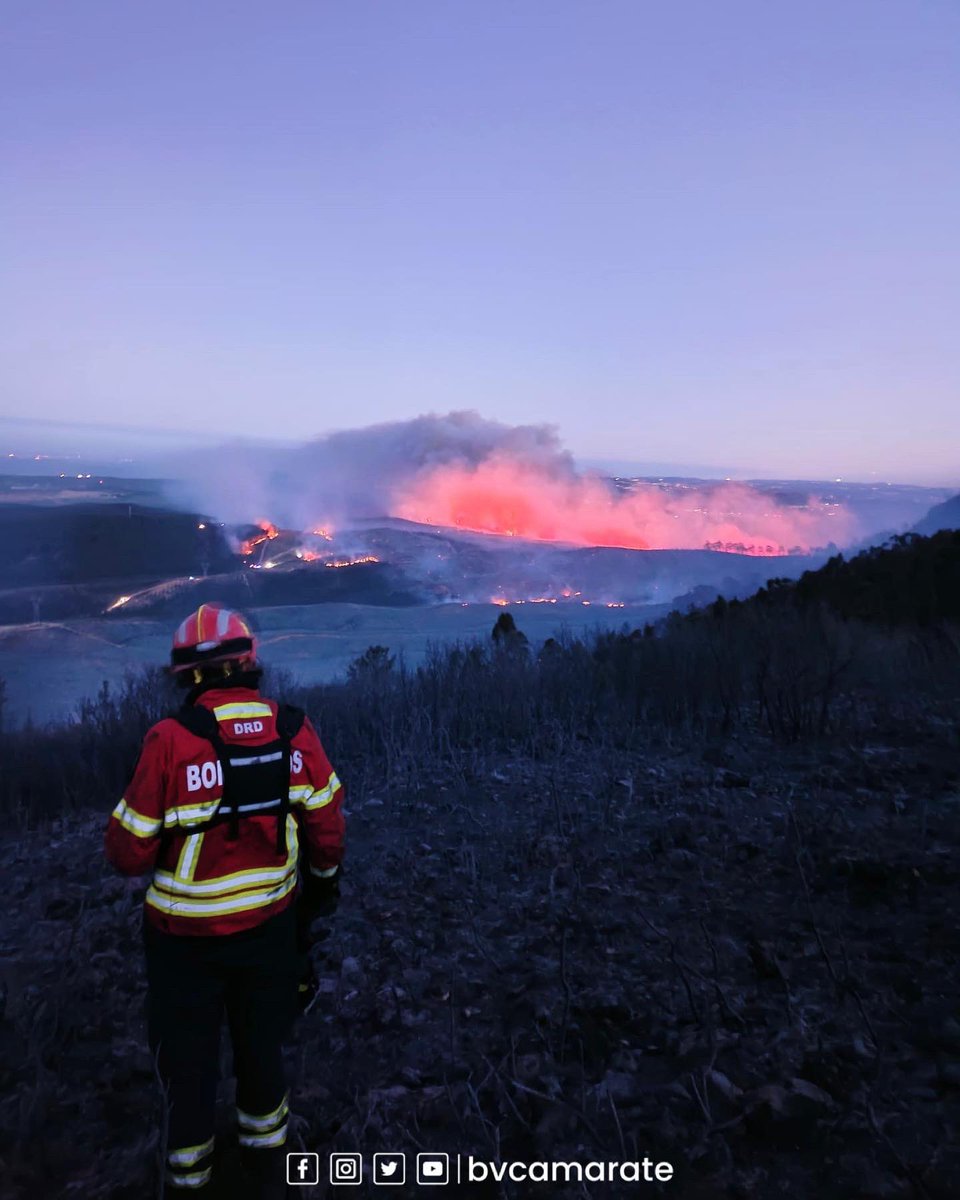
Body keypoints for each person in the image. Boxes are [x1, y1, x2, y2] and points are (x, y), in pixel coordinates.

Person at [104, 604, 345, 1198]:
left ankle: (189, 1182)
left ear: (185, 676)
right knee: (262, 1052)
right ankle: (266, 1173)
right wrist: (320, 891)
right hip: (270, 931)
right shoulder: (294, 731)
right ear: (250, 664)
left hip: (182, 946)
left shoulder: (169, 741)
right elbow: (328, 830)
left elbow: (127, 854)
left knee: (187, 1068)